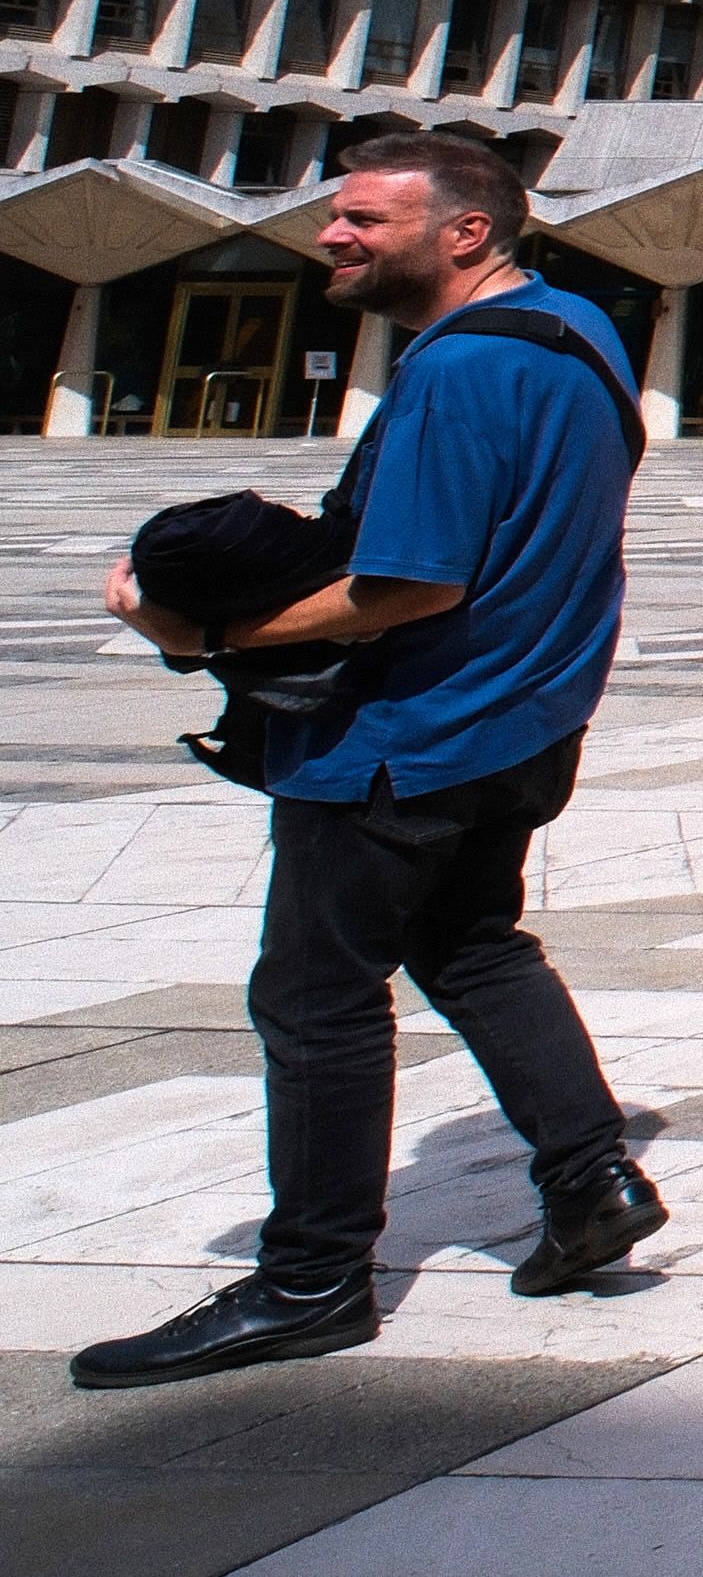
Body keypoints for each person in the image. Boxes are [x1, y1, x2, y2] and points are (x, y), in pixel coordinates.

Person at [77, 131, 659, 1386]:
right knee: (472, 941)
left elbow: (410, 584)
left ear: (465, 231)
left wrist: (201, 635)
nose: (332, 236)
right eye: (336, 215)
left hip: (407, 733)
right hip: (527, 716)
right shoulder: (582, 331)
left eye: (364, 220)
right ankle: (589, 1180)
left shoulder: (454, 371)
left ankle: (311, 1279)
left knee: (315, 997)